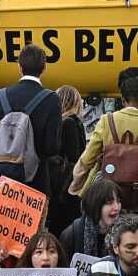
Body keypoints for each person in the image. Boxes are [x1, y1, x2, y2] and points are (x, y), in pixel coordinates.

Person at [71, 69, 138, 213]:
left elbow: (88, 157)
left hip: (106, 192)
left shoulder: (107, 121)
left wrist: (76, 184)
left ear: (122, 98)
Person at [0, 45, 62, 194]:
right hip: (36, 181)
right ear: (44, 68)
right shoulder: (51, 99)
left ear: (20, 67)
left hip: (4, 179)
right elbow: (52, 147)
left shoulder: (1, 96)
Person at [50, 84, 88, 235]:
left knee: (57, 224)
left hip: (56, 182)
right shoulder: (71, 123)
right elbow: (74, 156)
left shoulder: (57, 122)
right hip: (67, 182)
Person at [58, 178, 121, 260]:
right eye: (109, 202)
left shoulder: (124, 232)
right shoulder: (71, 235)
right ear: (95, 204)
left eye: (118, 201)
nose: (116, 207)